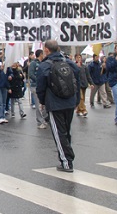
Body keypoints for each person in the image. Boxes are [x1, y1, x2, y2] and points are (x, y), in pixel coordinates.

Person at [36, 40, 81, 173]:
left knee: (58, 133)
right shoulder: (69, 62)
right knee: (66, 132)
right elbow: (77, 79)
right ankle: (68, 158)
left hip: (54, 103)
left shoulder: (45, 65)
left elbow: (41, 87)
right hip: (70, 101)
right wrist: (76, 100)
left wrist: (43, 101)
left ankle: (66, 162)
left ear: (46, 50)